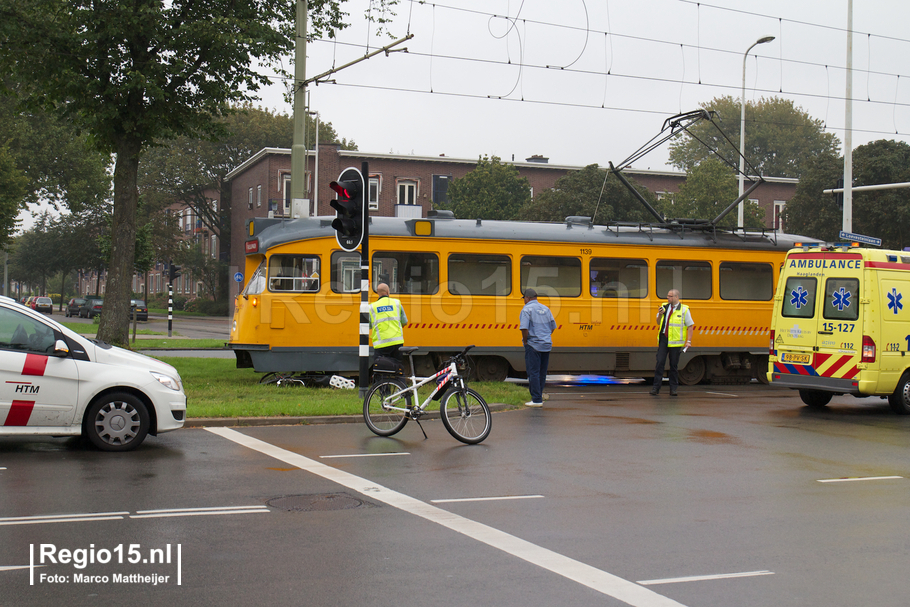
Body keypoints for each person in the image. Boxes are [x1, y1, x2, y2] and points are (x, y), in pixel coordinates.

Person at [650, 289, 695, 396]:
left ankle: (673, 388)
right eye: (667, 296)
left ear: (676, 297)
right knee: (659, 363)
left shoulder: (684, 310)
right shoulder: (664, 307)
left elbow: (690, 326)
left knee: (673, 366)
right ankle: (655, 388)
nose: (667, 298)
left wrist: (688, 341)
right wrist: (660, 315)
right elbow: (657, 322)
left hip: (675, 343)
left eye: (670, 296)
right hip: (664, 340)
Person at [520, 288, 557, 407]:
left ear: (528, 298)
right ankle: (539, 396)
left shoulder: (527, 309)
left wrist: (526, 341)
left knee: (533, 372)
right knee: (542, 372)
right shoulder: (546, 309)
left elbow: (524, 328)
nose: (524, 301)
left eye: (524, 298)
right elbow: (553, 327)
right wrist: (545, 336)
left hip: (533, 344)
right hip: (546, 344)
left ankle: (536, 400)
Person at [369, 282, 408, 360]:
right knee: (397, 366)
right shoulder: (397, 303)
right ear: (387, 291)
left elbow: (369, 325)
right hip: (397, 342)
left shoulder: (372, 307)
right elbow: (404, 322)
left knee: (381, 367)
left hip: (381, 344)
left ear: (377, 293)